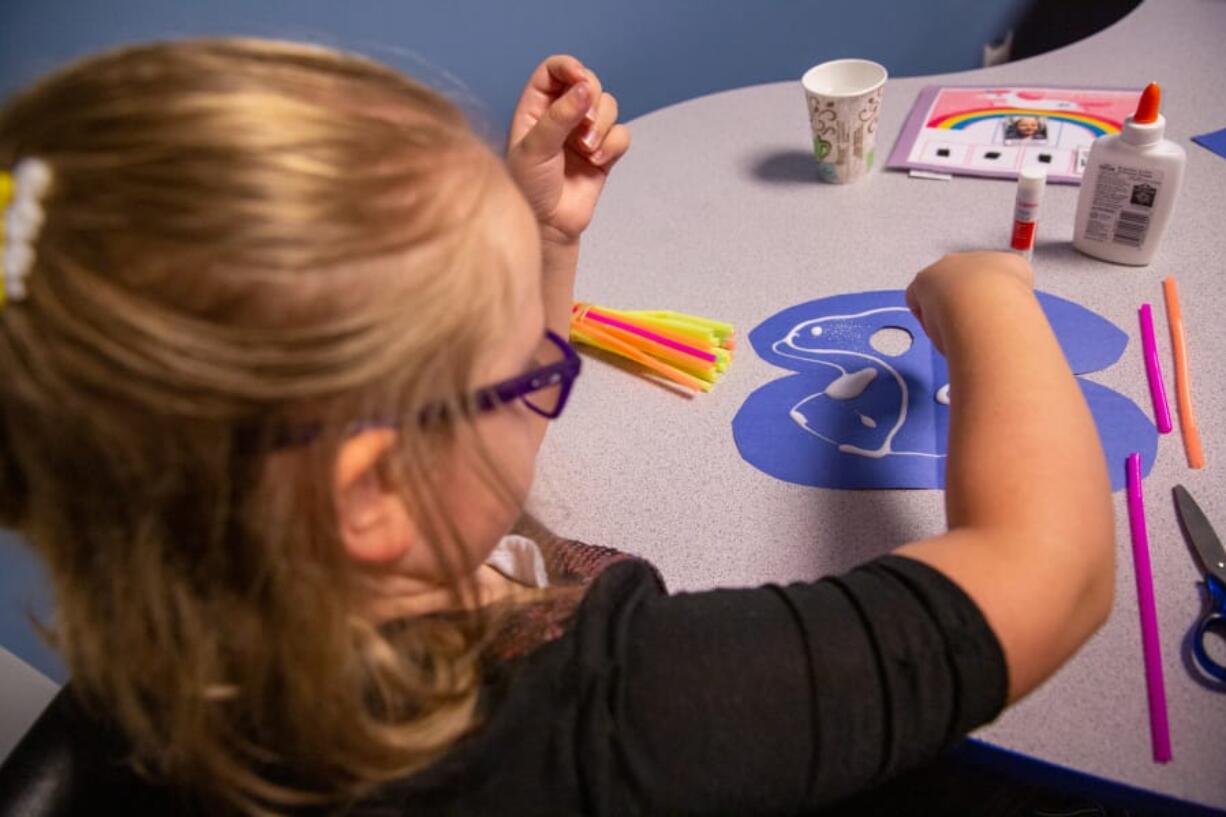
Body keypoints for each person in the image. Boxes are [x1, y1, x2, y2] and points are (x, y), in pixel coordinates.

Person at [0, 38, 1113, 815]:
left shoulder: (199, 613)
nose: (549, 367)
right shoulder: (610, 722)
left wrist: (535, 240)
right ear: (370, 492)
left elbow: (466, 466)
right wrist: (989, 304)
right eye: (523, 364)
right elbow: (1048, 572)